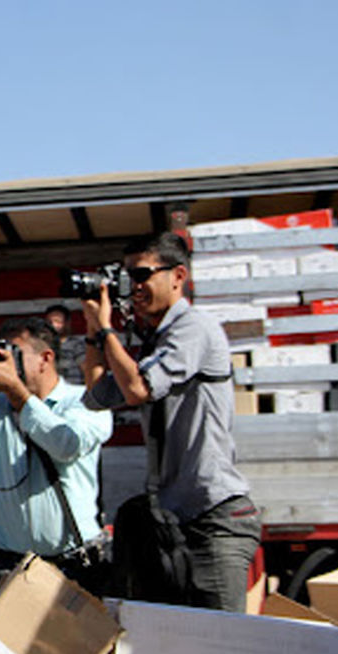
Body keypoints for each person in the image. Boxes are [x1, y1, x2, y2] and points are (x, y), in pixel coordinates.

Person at [81, 232, 260, 612]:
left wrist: (109, 330)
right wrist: (95, 334)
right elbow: (96, 395)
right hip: (174, 521)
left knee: (224, 649)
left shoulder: (194, 327)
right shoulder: (156, 342)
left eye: (143, 275)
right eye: (129, 277)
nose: (135, 287)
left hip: (214, 519)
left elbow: (139, 388)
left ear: (178, 275)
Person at [0, 317, 112, 591]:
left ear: (45, 358)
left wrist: (18, 394)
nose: (5, 365)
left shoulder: (84, 402)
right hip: (10, 562)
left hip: (72, 562)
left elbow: (66, 445)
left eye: (14, 354)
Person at [45, 303, 86, 385]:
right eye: (50, 322)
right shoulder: (44, 346)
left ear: (66, 323)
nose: (53, 325)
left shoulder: (76, 345)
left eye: (57, 321)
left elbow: (86, 369)